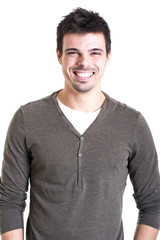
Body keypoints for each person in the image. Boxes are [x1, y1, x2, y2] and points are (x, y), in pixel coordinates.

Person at [0, 7, 160, 240]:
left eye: (95, 52)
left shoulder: (131, 123)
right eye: (73, 52)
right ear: (59, 56)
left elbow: (153, 202)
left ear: (108, 56)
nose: (84, 62)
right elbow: (9, 201)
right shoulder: (28, 119)